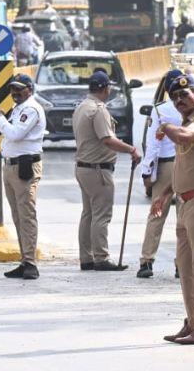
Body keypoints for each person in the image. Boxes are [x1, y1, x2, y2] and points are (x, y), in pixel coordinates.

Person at [149, 73, 194, 346]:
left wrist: (165, 128)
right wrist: (165, 194)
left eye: (184, 94)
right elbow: (182, 167)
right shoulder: (184, 122)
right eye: (175, 97)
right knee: (186, 268)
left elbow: (186, 137)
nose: (180, 100)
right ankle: (193, 321)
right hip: (185, 202)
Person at [71, 70, 141, 271]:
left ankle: (87, 258)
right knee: (101, 215)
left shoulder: (82, 106)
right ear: (104, 88)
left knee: (89, 214)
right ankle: (101, 257)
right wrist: (131, 150)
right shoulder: (98, 109)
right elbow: (107, 139)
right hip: (98, 170)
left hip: (84, 168)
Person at [0, 73, 46, 280]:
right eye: (12, 89)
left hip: (24, 167)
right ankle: (25, 260)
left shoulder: (31, 109)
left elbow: (15, 134)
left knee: (26, 216)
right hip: (12, 167)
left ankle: (31, 263)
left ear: (29, 90)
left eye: (19, 89)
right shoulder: (19, 108)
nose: (15, 93)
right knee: (17, 217)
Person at [136, 69, 185, 279]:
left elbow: (153, 145)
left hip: (165, 167)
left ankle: (147, 261)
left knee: (157, 213)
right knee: (184, 218)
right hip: (186, 166)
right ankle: (181, 264)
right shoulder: (192, 109)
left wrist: (147, 172)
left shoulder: (160, 110)